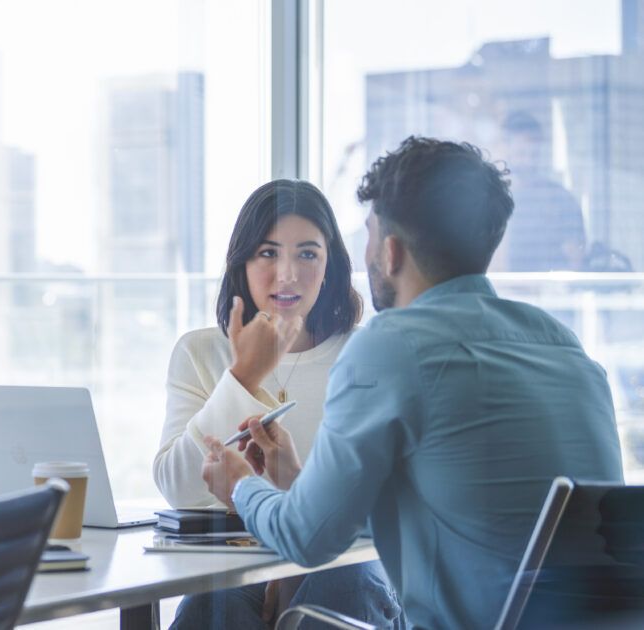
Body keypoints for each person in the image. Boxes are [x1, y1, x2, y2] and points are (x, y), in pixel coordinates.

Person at [200, 137, 624, 629]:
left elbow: (305, 540)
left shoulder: (392, 346)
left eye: (370, 235)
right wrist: (297, 482)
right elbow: (473, 516)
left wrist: (241, 487)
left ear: (392, 250)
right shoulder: (565, 347)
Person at [155, 180, 402, 629]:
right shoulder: (200, 352)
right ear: (242, 263)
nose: (287, 273)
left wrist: (294, 564)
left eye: (307, 254)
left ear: (330, 266)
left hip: (348, 566)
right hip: (235, 571)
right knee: (214, 604)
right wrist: (242, 376)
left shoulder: (368, 354)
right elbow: (178, 487)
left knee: (339, 587)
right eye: (268, 253)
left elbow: (390, 511)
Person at [498, 111, 586, 271]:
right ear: (505, 151)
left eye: (534, 154)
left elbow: (576, 262)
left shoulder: (561, 200)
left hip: (548, 294)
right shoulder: (489, 200)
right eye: (521, 154)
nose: (529, 162)